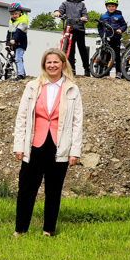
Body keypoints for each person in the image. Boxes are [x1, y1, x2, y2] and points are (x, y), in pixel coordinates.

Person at [13, 48, 82, 236]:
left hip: (59, 146)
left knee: (53, 190)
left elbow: (77, 122)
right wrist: (19, 145)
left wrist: (74, 151)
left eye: (56, 62)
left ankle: (48, 230)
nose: (52, 65)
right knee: (26, 189)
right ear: (44, 65)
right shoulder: (32, 87)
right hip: (34, 145)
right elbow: (22, 118)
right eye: (48, 62)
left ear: (63, 64)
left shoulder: (72, 89)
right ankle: (20, 230)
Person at [53, 0, 90, 76]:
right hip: (69, 30)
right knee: (70, 50)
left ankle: (87, 69)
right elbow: (60, 10)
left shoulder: (82, 4)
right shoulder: (65, 4)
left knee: (82, 50)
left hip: (79, 29)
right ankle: (72, 70)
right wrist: (57, 12)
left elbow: (85, 15)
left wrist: (84, 18)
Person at [99, 0, 128, 78]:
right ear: (106, 7)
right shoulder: (103, 17)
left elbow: (124, 25)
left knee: (117, 56)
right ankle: (105, 72)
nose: (111, 8)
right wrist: (102, 36)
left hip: (116, 38)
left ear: (116, 7)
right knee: (106, 55)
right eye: (109, 6)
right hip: (106, 39)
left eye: (113, 6)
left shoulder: (119, 16)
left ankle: (118, 72)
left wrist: (120, 30)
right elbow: (100, 27)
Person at [6, 3, 28, 81]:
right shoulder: (11, 21)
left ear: (20, 13)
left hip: (21, 43)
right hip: (14, 44)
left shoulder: (23, 19)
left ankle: (21, 75)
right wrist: (7, 44)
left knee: (18, 58)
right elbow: (9, 33)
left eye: (16, 14)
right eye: (12, 14)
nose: (14, 16)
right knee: (17, 58)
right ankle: (23, 73)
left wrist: (13, 40)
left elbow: (18, 32)